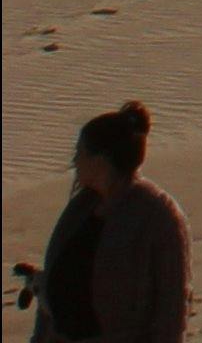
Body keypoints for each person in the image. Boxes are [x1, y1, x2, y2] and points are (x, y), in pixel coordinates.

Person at [16, 106, 182, 343]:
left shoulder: (157, 216)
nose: (74, 161)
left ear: (101, 160)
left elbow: (171, 310)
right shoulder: (81, 209)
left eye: (80, 153)